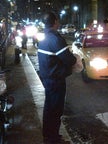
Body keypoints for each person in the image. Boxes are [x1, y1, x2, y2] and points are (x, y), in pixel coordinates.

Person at [38, 11, 77, 144]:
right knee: (56, 109)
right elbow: (69, 59)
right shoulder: (55, 38)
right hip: (55, 79)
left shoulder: (44, 36)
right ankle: (53, 139)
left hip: (47, 77)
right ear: (55, 22)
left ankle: (47, 134)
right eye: (58, 20)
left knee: (49, 107)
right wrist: (74, 57)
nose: (59, 23)